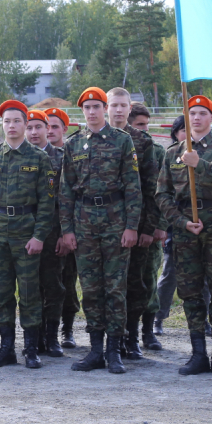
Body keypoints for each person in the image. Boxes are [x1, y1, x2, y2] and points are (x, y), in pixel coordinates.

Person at [156, 95, 212, 377]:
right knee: (190, 291)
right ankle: (198, 354)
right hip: (186, 227)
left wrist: (200, 164)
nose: (196, 118)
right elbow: (162, 195)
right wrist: (181, 222)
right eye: (191, 113)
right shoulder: (173, 153)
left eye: (202, 113)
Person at [60, 87, 142, 374]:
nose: (92, 112)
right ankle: (95, 349)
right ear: (82, 111)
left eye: (97, 106)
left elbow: (133, 188)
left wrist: (132, 226)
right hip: (83, 222)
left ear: (105, 109)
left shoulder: (122, 141)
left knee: (115, 288)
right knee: (91, 288)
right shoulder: (72, 145)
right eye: (87, 107)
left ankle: (114, 350)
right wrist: (67, 230)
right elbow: (66, 191)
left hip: (115, 220)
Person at [0, 101, 56, 368]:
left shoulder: (39, 158)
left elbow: (47, 202)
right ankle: (6, 347)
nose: (11, 126)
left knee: (30, 293)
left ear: (25, 124)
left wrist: (39, 236)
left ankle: (31, 348)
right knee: (3, 293)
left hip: (26, 234)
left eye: (16, 121)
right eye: (7, 122)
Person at [106, 88, 162, 361]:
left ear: (130, 108)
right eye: (113, 105)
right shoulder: (90, 139)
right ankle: (109, 339)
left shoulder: (143, 142)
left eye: (122, 105)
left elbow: (153, 188)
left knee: (135, 284)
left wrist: (148, 228)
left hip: (135, 226)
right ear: (107, 107)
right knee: (108, 285)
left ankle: (132, 336)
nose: (118, 110)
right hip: (102, 226)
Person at [153, 116, 211, 337]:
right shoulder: (171, 155)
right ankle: (158, 318)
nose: (186, 134)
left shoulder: (204, 155)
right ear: (175, 133)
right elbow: (163, 192)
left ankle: (203, 320)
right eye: (181, 130)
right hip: (176, 223)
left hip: (204, 223)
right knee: (170, 274)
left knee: (203, 276)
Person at [23, 108, 65, 356]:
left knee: (54, 285)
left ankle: (52, 336)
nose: (35, 132)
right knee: (30, 286)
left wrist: (64, 233)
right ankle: (34, 337)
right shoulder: (19, 157)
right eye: (30, 127)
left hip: (52, 233)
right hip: (24, 232)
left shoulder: (60, 157)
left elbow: (66, 198)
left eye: (39, 127)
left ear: (48, 129)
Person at [127, 102, 166, 352]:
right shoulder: (121, 145)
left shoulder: (157, 150)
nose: (145, 129)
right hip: (125, 227)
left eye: (147, 124)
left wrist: (158, 226)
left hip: (149, 227)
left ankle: (148, 331)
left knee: (149, 279)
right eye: (140, 125)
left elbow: (162, 191)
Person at [46, 107, 79, 350]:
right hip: (40, 234)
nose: (49, 131)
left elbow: (70, 199)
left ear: (64, 130)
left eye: (54, 126)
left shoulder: (69, 157)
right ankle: (44, 333)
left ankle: (66, 330)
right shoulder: (33, 155)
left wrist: (64, 233)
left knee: (66, 283)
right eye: (44, 125)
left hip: (65, 233)